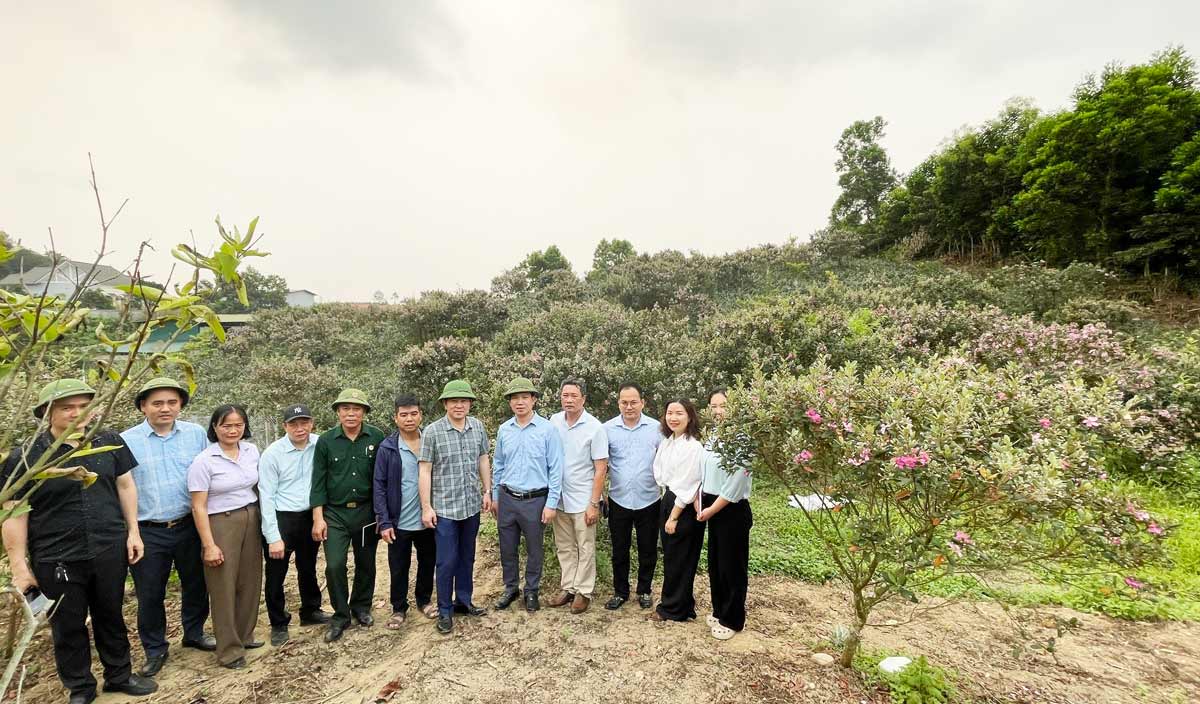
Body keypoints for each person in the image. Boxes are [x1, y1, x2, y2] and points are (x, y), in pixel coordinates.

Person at [2, 380, 158, 704]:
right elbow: (13, 512)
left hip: (107, 545)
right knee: (67, 623)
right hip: (56, 554)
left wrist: (133, 531)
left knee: (111, 614)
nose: (77, 414)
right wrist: (19, 565)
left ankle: (119, 675)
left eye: (83, 406)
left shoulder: (108, 441)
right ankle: (80, 687)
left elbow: (125, 486)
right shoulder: (27, 457)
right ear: (47, 413)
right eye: (66, 407)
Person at [121, 377, 215, 678]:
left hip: (189, 523)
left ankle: (195, 631)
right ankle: (155, 648)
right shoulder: (125, 440)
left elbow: (207, 475)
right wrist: (131, 530)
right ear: (143, 407)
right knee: (150, 593)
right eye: (157, 403)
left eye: (172, 402)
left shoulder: (196, 434)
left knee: (196, 582)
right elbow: (121, 488)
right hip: (147, 528)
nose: (165, 408)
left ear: (181, 406)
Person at [187, 404, 263, 670]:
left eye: (238, 424)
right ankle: (229, 650)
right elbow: (198, 505)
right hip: (220, 522)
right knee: (223, 587)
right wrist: (209, 544)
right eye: (226, 425)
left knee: (250, 581)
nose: (233, 430)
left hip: (251, 517)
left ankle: (245, 635)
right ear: (215, 427)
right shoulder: (205, 460)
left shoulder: (251, 451)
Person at [310, 388, 386, 643]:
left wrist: (381, 514)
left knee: (366, 562)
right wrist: (318, 518)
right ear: (338, 412)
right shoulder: (326, 441)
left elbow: (381, 479)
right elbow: (318, 481)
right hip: (335, 514)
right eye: (345, 408)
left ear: (364, 412)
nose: (351, 413)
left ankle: (361, 607)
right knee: (334, 565)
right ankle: (340, 615)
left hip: (366, 511)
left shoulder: (376, 437)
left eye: (356, 409)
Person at [419, 379, 492, 635]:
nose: (459, 405)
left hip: (471, 505)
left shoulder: (478, 427)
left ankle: (463, 600)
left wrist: (487, 490)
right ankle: (445, 610)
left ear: (470, 403)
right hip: (445, 509)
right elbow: (425, 470)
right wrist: (426, 506)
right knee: (446, 561)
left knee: (467, 557)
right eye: (453, 401)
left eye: (463, 401)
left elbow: (483, 459)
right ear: (445, 404)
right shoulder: (432, 432)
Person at [258, 404, 331, 647]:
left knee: (308, 567)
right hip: (282, 517)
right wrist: (272, 535)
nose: (300, 428)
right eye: (293, 424)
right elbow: (266, 496)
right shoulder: (272, 454)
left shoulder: (320, 444)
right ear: (285, 426)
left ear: (312, 423)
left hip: (310, 515)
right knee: (276, 573)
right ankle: (278, 622)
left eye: (304, 422)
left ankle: (311, 610)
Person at [491, 377, 563, 613]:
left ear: (533, 400)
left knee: (534, 548)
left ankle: (531, 590)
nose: (519, 402)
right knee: (507, 547)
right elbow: (498, 464)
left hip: (535, 500)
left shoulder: (547, 430)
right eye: (515, 398)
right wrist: (495, 496)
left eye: (524, 397)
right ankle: (510, 588)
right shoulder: (504, 429)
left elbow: (556, 469)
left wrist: (551, 503)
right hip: (508, 497)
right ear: (510, 403)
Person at [373, 394, 438, 629]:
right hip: (398, 520)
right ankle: (398, 608)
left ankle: (424, 600)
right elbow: (378, 486)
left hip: (427, 518)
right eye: (404, 415)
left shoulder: (430, 441)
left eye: (413, 414)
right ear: (396, 418)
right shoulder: (388, 447)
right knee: (398, 566)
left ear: (421, 415)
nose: (409, 419)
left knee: (427, 561)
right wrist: (384, 521)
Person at [696, 389, 753, 640]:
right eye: (714, 406)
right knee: (717, 564)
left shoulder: (744, 439)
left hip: (731, 509)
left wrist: (710, 509)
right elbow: (704, 472)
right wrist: (700, 503)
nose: (718, 411)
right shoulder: (713, 437)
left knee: (733, 566)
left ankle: (733, 618)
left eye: (723, 406)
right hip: (710, 505)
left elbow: (735, 484)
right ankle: (719, 610)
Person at [548, 378, 608, 614]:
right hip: (558, 497)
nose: (569, 400)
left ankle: (583, 592)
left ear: (583, 399)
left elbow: (601, 468)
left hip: (584, 498)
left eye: (574, 395)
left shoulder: (595, 427)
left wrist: (594, 503)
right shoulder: (553, 422)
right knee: (564, 546)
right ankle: (569, 587)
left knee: (585, 546)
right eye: (565, 395)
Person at [602, 382, 662, 610]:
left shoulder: (656, 428)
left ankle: (645, 590)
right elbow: (600, 464)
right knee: (620, 550)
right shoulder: (607, 429)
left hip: (650, 499)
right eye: (624, 402)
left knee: (648, 549)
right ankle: (620, 591)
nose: (629, 407)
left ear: (642, 403)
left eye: (633, 402)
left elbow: (666, 461)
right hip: (619, 499)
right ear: (619, 403)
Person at [649, 398, 705, 623]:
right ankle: (683, 606)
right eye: (669, 412)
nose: (673, 417)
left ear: (689, 416)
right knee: (673, 557)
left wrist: (673, 516)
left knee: (681, 558)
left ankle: (671, 609)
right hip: (669, 496)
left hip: (683, 505)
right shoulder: (668, 442)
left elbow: (689, 484)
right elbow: (659, 472)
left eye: (679, 413)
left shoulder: (693, 446)